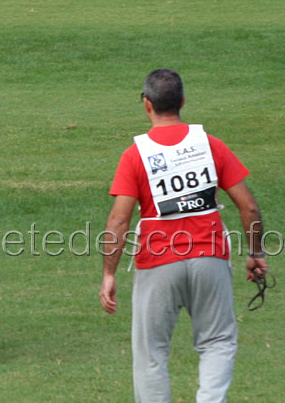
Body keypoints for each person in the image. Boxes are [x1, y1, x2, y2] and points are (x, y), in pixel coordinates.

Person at [99, 68, 268, 402]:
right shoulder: (211, 146)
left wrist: (108, 274)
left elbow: (119, 222)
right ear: (183, 102)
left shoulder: (135, 155)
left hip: (157, 262)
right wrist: (256, 252)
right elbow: (248, 208)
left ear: (147, 104)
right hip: (210, 258)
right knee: (217, 342)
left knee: (151, 353)